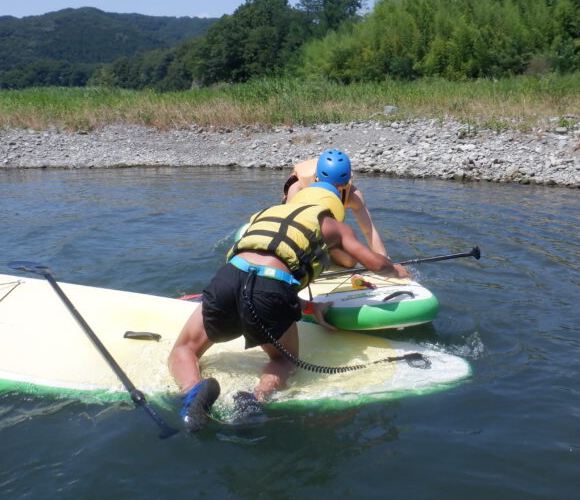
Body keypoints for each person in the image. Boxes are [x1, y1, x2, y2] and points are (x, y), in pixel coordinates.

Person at [168, 182, 411, 433]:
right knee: (283, 360)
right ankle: (255, 400)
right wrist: (398, 272)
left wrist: (306, 306)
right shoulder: (334, 226)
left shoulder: (267, 212)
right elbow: (376, 264)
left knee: (185, 348)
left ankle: (191, 393)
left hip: (229, 277)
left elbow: (257, 267)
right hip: (272, 289)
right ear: (333, 207)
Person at [283, 149, 387, 267]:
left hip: (326, 231)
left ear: (347, 182)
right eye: (330, 185)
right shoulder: (298, 188)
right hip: (301, 227)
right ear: (317, 178)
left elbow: (369, 231)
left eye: (340, 185)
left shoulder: (352, 195)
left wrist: (385, 261)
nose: (334, 190)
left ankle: (325, 248)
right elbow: (288, 226)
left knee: (350, 261)